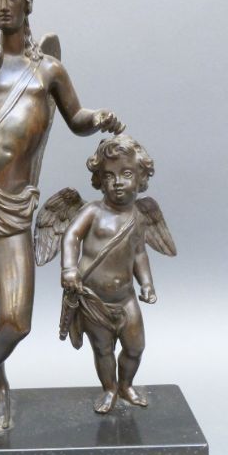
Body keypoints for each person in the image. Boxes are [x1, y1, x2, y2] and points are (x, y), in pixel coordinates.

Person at [0, 0, 124, 435]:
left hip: (14, 203)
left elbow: (75, 118)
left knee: (16, 319)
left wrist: (98, 118)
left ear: (27, 2)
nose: (3, 4)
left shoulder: (49, 71)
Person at [61, 135, 158, 414]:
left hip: (126, 299)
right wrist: (69, 268)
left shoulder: (138, 217)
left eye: (126, 174)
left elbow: (139, 253)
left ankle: (126, 385)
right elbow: (71, 236)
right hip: (94, 300)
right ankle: (109, 389)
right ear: (99, 180)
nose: (117, 182)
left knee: (135, 347)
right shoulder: (92, 211)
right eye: (109, 175)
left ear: (141, 177)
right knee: (103, 350)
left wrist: (147, 283)